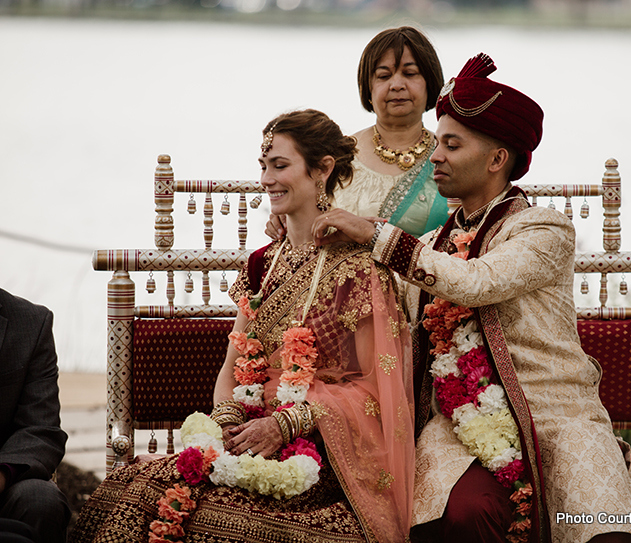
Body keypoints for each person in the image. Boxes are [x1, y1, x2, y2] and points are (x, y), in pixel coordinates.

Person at [311, 54, 631, 543]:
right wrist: (298, 229)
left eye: (451, 145)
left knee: (607, 536)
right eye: (438, 143)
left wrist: (372, 232)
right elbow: (379, 299)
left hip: (555, 414)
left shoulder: (543, 229)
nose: (435, 156)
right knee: (461, 514)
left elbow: (476, 282)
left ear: (497, 160)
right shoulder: (432, 245)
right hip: (458, 422)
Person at [70, 110, 414, 543]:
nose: (267, 179)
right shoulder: (263, 265)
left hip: (318, 455)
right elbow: (233, 366)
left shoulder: (360, 268)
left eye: (281, 166)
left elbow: (376, 390)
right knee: (126, 490)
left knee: (215, 523)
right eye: (263, 166)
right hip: (246, 436)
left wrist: (288, 425)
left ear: (323, 169)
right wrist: (228, 421)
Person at [267, 26, 448, 241]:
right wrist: (286, 217)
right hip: (337, 273)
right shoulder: (337, 155)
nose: (397, 85)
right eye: (384, 76)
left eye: (410, 74)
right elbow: (302, 206)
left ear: (430, 83)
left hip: (423, 273)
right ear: (368, 88)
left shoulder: (448, 156)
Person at [0, 288, 70, 543]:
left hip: (3, 479)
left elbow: (41, 428)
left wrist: (2, 473)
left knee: (40, 499)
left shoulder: (31, 322)